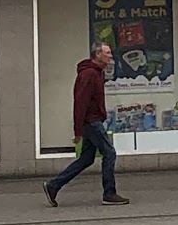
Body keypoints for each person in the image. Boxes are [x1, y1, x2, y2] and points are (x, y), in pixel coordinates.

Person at [43, 42, 129, 207]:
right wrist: (78, 131)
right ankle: (109, 193)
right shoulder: (89, 74)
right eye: (107, 53)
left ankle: (53, 185)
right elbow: (80, 102)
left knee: (86, 159)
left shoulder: (97, 73)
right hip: (91, 122)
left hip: (92, 120)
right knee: (109, 153)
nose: (111, 56)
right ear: (98, 54)